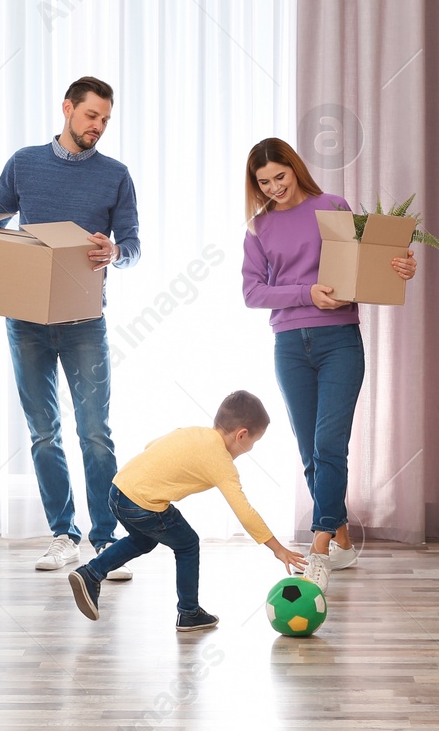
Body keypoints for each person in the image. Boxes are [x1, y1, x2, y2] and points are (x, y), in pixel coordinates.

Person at [0, 76, 140, 578]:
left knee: (95, 434)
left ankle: (106, 542)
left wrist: (116, 252)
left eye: (105, 120)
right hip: (26, 321)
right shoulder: (25, 163)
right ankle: (63, 535)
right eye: (91, 116)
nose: (98, 127)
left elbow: (132, 247)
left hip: (86, 320)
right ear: (67, 108)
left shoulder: (116, 175)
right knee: (44, 433)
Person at [240, 138, 417, 587]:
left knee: (328, 443)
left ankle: (318, 547)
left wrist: (400, 265)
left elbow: (367, 262)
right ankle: (339, 534)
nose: (275, 187)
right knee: (309, 452)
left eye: (281, 176)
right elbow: (252, 293)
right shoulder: (258, 228)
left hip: (338, 341)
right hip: (288, 346)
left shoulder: (332, 206)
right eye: (264, 182)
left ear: (295, 168)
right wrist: (306, 293)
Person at [67, 391, 305, 631]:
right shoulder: (221, 462)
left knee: (144, 540)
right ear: (241, 434)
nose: (250, 449)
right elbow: (245, 512)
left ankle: (92, 573)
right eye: (253, 443)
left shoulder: (192, 431)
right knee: (187, 543)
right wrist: (278, 549)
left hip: (118, 490)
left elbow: (150, 446)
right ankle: (189, 613)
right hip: (144, 504)